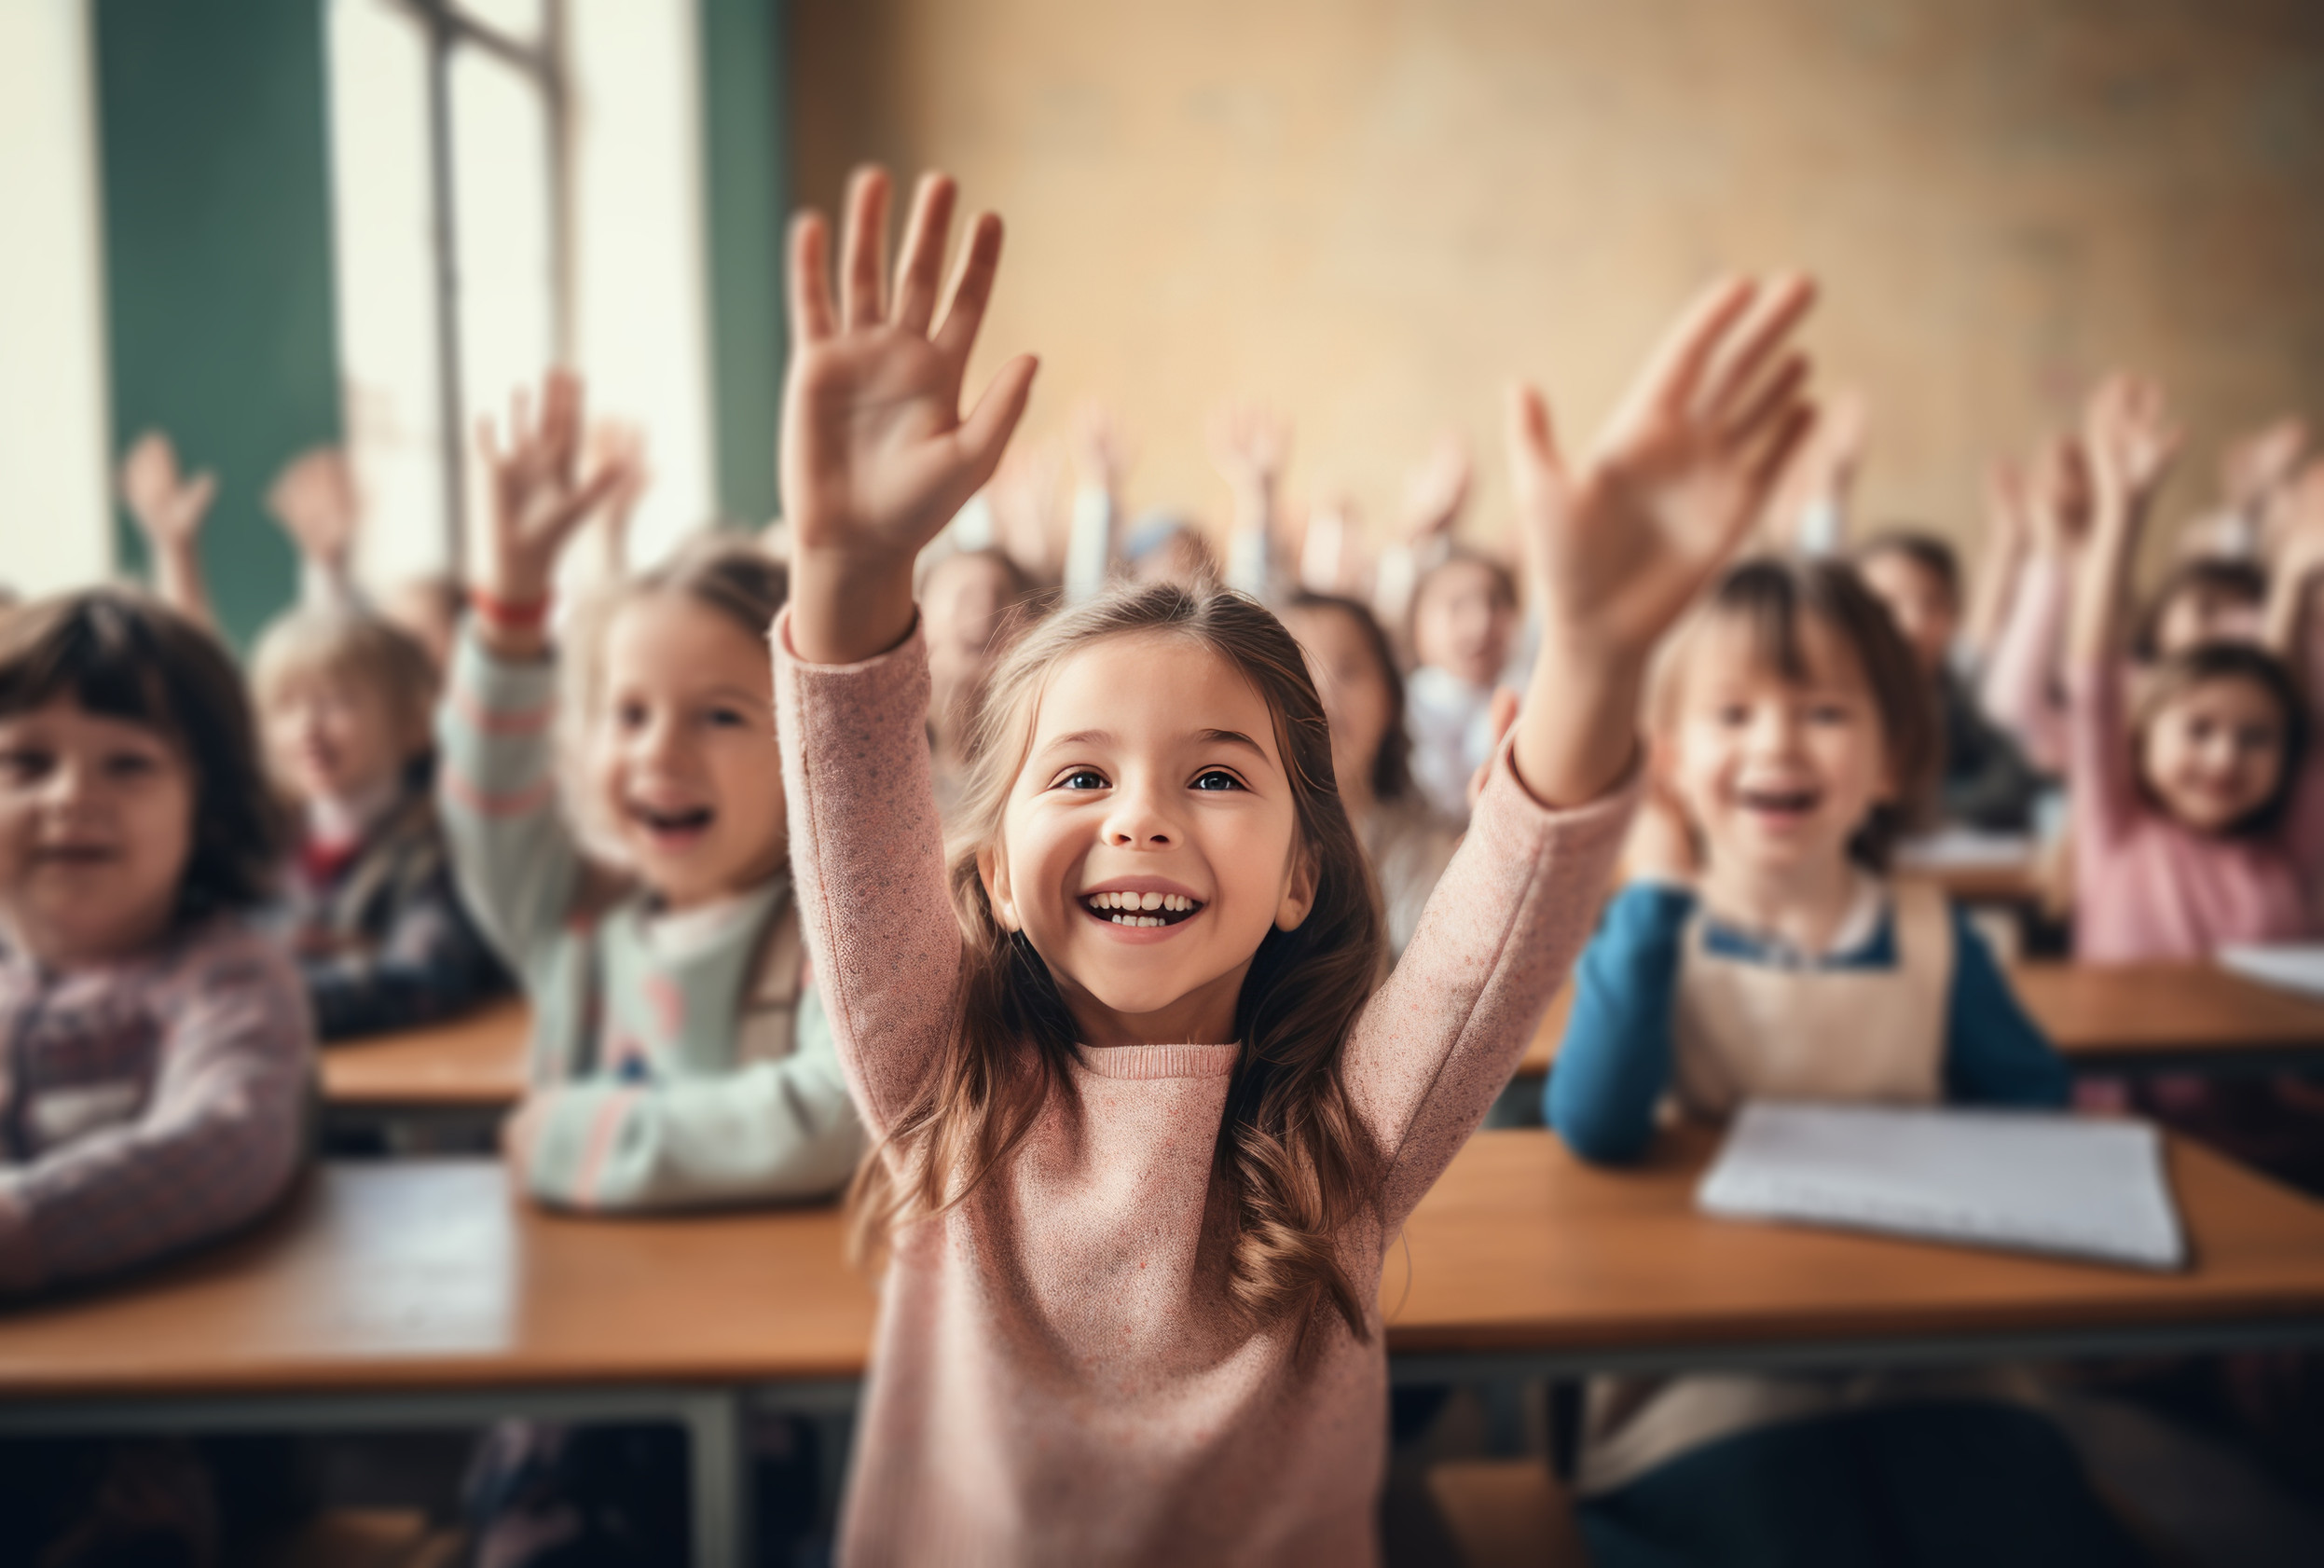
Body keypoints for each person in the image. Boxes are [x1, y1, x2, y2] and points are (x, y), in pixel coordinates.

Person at [772, 162, 1815, 1565]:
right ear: (1002, 872)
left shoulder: (1350, 1128)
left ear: (1301, 874)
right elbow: (852, 813)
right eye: (1079, 776)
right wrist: (845, 570)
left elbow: (1500, 914)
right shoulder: (936, 1075)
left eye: (1214, 775)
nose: (1142, 817)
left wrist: (1599, 653)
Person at [1544, 556, 2132, 1567]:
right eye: (1732, 713)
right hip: (1702, 1377)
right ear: (1672, 760)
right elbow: (1596, 1123)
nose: (1776, 740)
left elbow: (2036, 1106)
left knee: (2019, 1521)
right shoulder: (1651, 935)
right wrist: (1652, 890)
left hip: (1928, 1356)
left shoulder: (1938, 938)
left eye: (1822, 711)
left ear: (1894, 758)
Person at [440, 367, 861, 1215]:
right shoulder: (573, 920)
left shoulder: (834, 939)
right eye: (629, 715)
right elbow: (486, 801)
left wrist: (586, 1141)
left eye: (719, 717)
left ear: (808, 754)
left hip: (765, 1334)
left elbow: (839, 1113)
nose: (658, 754)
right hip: (582, 1327)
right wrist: (512, 606)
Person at [0, 590, 310, 1298]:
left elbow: (230, 1141)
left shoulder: (227, 977)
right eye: (26, 764)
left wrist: (22, 1223)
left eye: (128, 765)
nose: (71, 795)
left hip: (154, 1390)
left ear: (208, 810)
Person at [2065, 374, 2321, 963]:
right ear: (2140, 739)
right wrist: (2122, 510)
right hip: (2125, 1060)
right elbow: (2093, 679)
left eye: (2254, 739)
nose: (2224, 758)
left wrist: (2295, 588)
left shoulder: (2290, 846)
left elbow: (2292, 708)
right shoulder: (2118, 832)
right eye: (2198, 730)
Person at [250, 605, 505, 1040]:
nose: (307, 726)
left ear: (412, 722)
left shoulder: (437, 852)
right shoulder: (258, 846)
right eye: (286, 706)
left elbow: (424, 980)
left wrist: (240, 1001)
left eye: (336, 702)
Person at [1278, 592, 1459, 961]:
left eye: (1348, 670)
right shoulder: (1237, 847)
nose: (1322, 694)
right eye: (1297, 671)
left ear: (1390, 699)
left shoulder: (1433, 855)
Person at [1855, 529, 2042, 830]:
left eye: (1932, 603)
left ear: (1955, 613)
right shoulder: (1835, 701)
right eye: (1888, 604)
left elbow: (2012, 784)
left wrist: (1933, 807)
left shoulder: (1971, 693)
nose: (1913, 622)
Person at [1404, 548, 1521, 822]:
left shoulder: (1528, 701)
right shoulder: (1402, 707)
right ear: (1416, 623)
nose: (1481, 623)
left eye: (1495, 603)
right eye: (1457, 605)